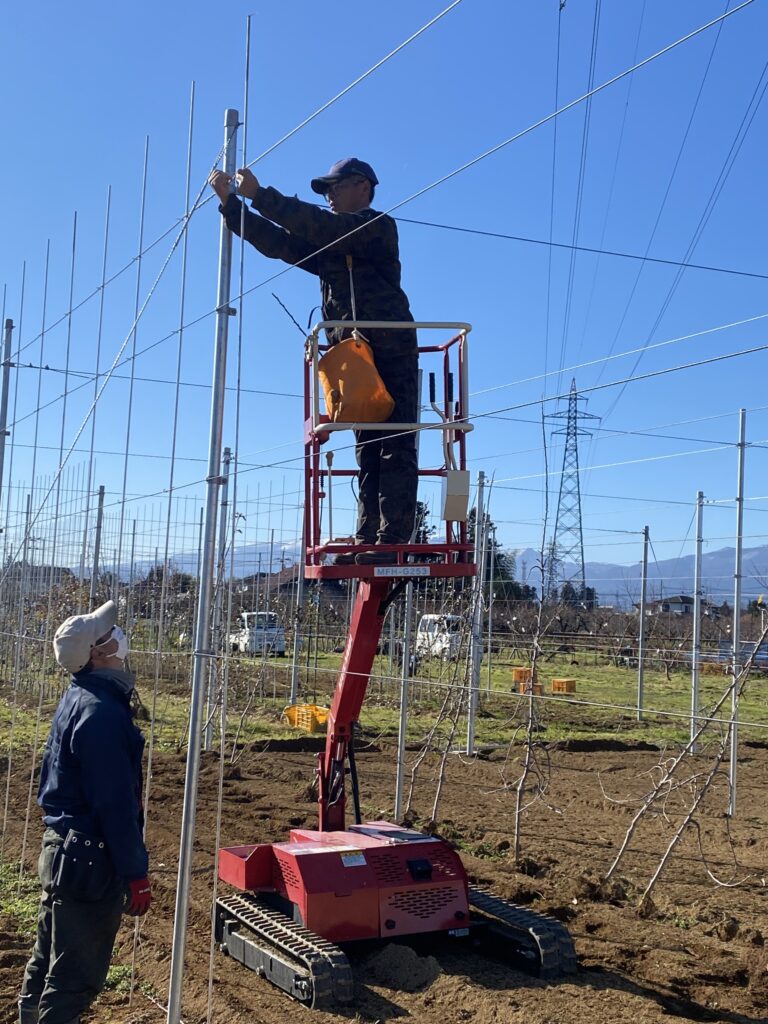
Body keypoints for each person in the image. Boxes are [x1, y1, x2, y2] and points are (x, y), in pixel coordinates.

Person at [209, 156, 418, 566]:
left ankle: (390, 539)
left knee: (393, 441)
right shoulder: (333, 245)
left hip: (391, 348)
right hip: (355, 356)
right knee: (368, 446)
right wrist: (233, 205)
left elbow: (323, 228)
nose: (328, 198)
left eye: (333, 189)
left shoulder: (377, 227)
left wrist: (262, 196)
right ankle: (368, 537)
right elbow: (281, 244)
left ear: (363, 186)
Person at [18, 601, 151, 1024]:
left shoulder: (79, 697)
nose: (120, 635)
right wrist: (135, 872)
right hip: (89, 864)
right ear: (97, 653)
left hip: (63, 855)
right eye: (110, 633)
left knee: (46, 964)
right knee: (73, 980)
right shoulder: (103, 715)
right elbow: (115, 804)